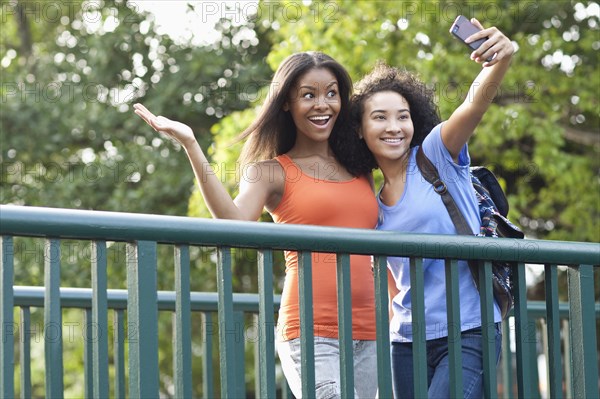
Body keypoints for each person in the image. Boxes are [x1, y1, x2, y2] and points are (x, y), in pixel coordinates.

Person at [133, 51, 379, 398]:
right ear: (285, 104)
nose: (322, 104)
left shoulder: (361, 167)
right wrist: (191, 144)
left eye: (332, 93)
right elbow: (233, 224)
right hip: (310, 331)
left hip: (374, 331)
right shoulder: (269, 172)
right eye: (308, 95)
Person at [350, 18, 515, 398]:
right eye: (380, 117)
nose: (394, 127)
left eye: (403, 116)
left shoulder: (436, 154)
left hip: (470, 330)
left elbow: (474, 104)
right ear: (359, 129)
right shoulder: (369, 203)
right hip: (406, 341)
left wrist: (500, 61)